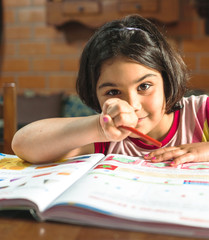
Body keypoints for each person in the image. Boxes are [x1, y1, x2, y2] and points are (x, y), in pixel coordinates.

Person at [12, 14, 209, 166]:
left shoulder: (201, 112)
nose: (132, 105)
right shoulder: (106, 137)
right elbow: (22, 144)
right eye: (113, 92)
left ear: (167, 80)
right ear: (94, 93)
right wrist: (99, 128)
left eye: (144, 86)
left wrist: (204, 151)